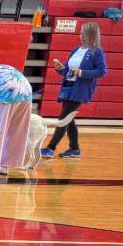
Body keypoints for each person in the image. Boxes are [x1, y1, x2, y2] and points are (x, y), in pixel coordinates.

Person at [44, 21, 107, 159]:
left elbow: (102, 71)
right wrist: (61, 68)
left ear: (92, 35)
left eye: (84, 33)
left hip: (80, 90)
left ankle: (50, 148)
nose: (82, 36)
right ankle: (75, 149)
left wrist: (82, 73)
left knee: (64, 117)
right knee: (69, 118)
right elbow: (67, 71)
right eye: (81, 33)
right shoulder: (76, 50)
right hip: (68, 87)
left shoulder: (97, 51)